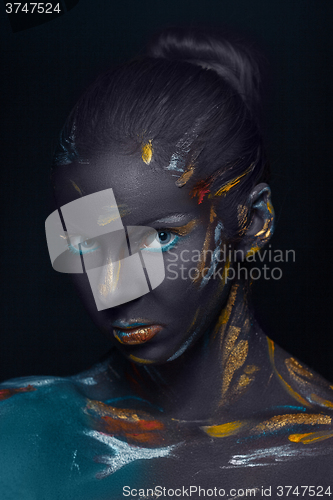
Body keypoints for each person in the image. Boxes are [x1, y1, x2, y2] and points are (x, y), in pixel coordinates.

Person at [1, 28, 332, 499]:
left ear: (254, 221)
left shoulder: (322, 456)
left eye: (158, 237)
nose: (112, 290)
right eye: (86, 243)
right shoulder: (18, 431)